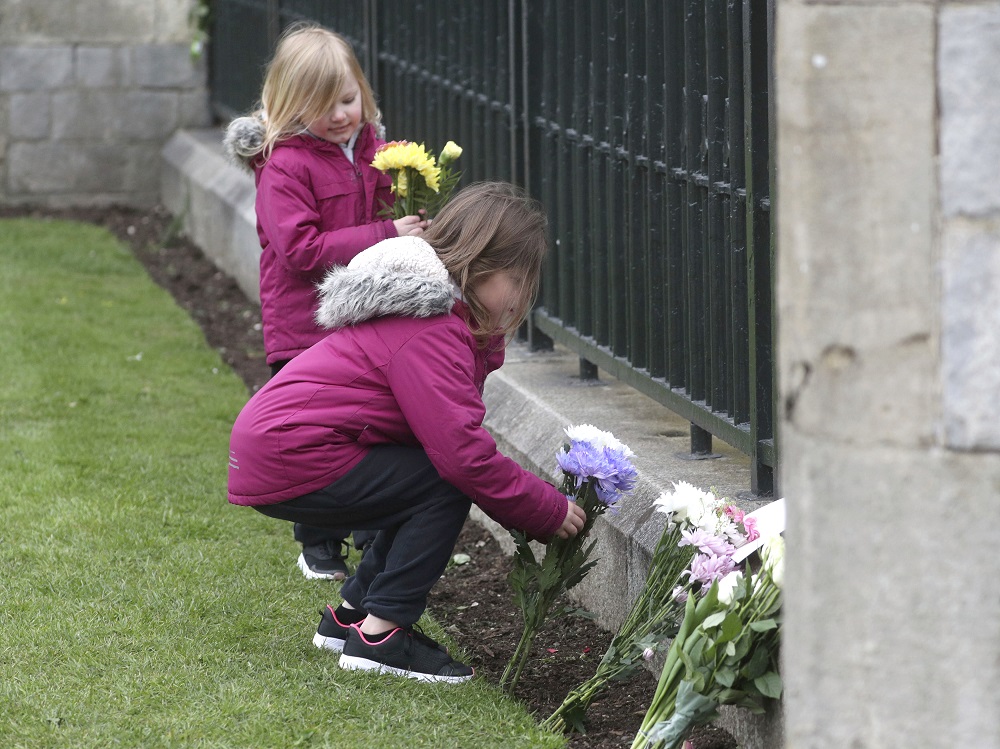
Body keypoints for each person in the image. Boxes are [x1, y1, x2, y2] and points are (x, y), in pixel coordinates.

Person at [227, 182, 587, 683]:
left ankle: (353, 618)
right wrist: (545, 508)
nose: (525, 293)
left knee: (419, 476)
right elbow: (463, 456)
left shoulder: (434, 320)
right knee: (442, 481)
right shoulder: (431, 329)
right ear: (478, 266)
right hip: (293, 452)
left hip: (277, 447)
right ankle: (381, 636)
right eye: (517, 277)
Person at [224, 23, 428, 581]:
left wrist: (414, 218)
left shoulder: (376, 152)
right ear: (290, 107)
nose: (340, 115)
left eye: (348, 98)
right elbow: (299, 250)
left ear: (362, 90)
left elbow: (390, 215)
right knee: (310, 428)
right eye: (321, 106)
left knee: (369, 419)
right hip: (304, 326)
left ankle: (369, 521)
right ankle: (317, 543)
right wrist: (387, 234)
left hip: (363, 317)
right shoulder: (285, 164)